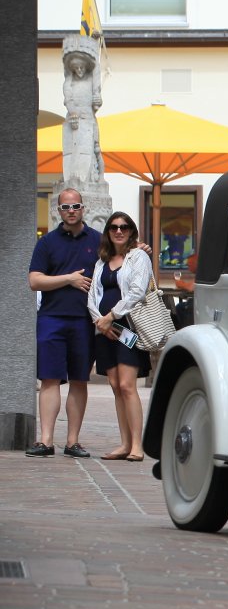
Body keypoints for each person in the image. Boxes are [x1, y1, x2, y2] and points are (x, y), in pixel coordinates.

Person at [26, 189, 100, 458]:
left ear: (83, 208)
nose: (71, 211)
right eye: (66, 207)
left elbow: (120, 257)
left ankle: (72, 442)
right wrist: (69, 279)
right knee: (49, 379)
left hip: (84, 320)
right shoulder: (46, 242)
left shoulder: (97, 240)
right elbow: (34, 280)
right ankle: (46, 441)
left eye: (76, 206)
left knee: (79, 380)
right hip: (51, 318)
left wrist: (141, 248)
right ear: (58, 210)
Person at [87, 212, 153, 461]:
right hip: (105, 330)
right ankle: (124, 444)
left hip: (129, 326)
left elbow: (137, 291)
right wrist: (101, 322)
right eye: (114, 227)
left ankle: (137, 445)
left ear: (131, 231)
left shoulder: (138, 256)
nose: (118, 231)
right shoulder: (101, 261)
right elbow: (92, 295)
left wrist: (112, 316)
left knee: (127, 385)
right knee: (115, 386)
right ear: (107, 232)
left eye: (124, 227)